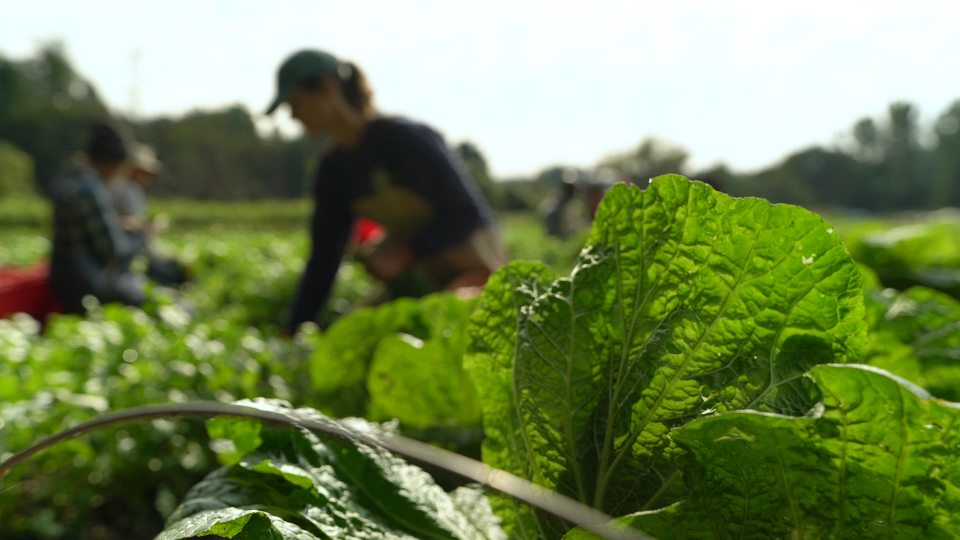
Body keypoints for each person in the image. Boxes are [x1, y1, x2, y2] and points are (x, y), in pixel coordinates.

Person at [267, 49, 506, 335]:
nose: (293, 115)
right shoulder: (333, 168)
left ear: (327, 87)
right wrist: (295, 327)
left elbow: (465, 214)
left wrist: (403, 253)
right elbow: (325, 257)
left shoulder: (404, 139)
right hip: (418, 276)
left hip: (472, 264)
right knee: (353, 338)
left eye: (296, 103)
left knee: (452, 326)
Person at [48, 122, 147, 313]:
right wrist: (142, 234)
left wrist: (118, 226)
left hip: (63, 279)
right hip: (88, 287)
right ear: (113, 162)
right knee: (159, 300)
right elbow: (115, 253)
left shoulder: (65, 179)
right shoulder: (90, 189)